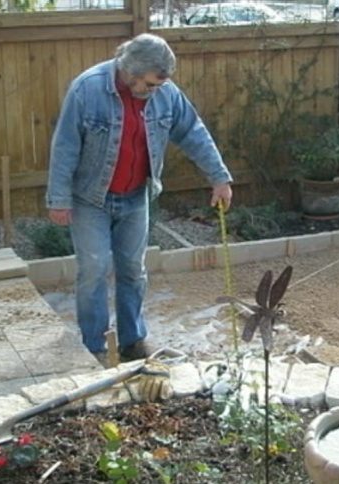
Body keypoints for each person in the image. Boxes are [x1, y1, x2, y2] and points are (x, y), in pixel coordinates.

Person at [46, 33, 233, 365]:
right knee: (94, 268)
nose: (153, 91)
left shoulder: (166, 95)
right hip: (91, 198)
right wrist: (59, 198)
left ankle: (133, 340)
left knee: (133, 269)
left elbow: (193, 132)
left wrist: (219, 177)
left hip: (135, 197)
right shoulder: (87, 90)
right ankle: (95, 346)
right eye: (148, 84)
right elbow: (65, 146)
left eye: (158, 85)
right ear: (129, 70)